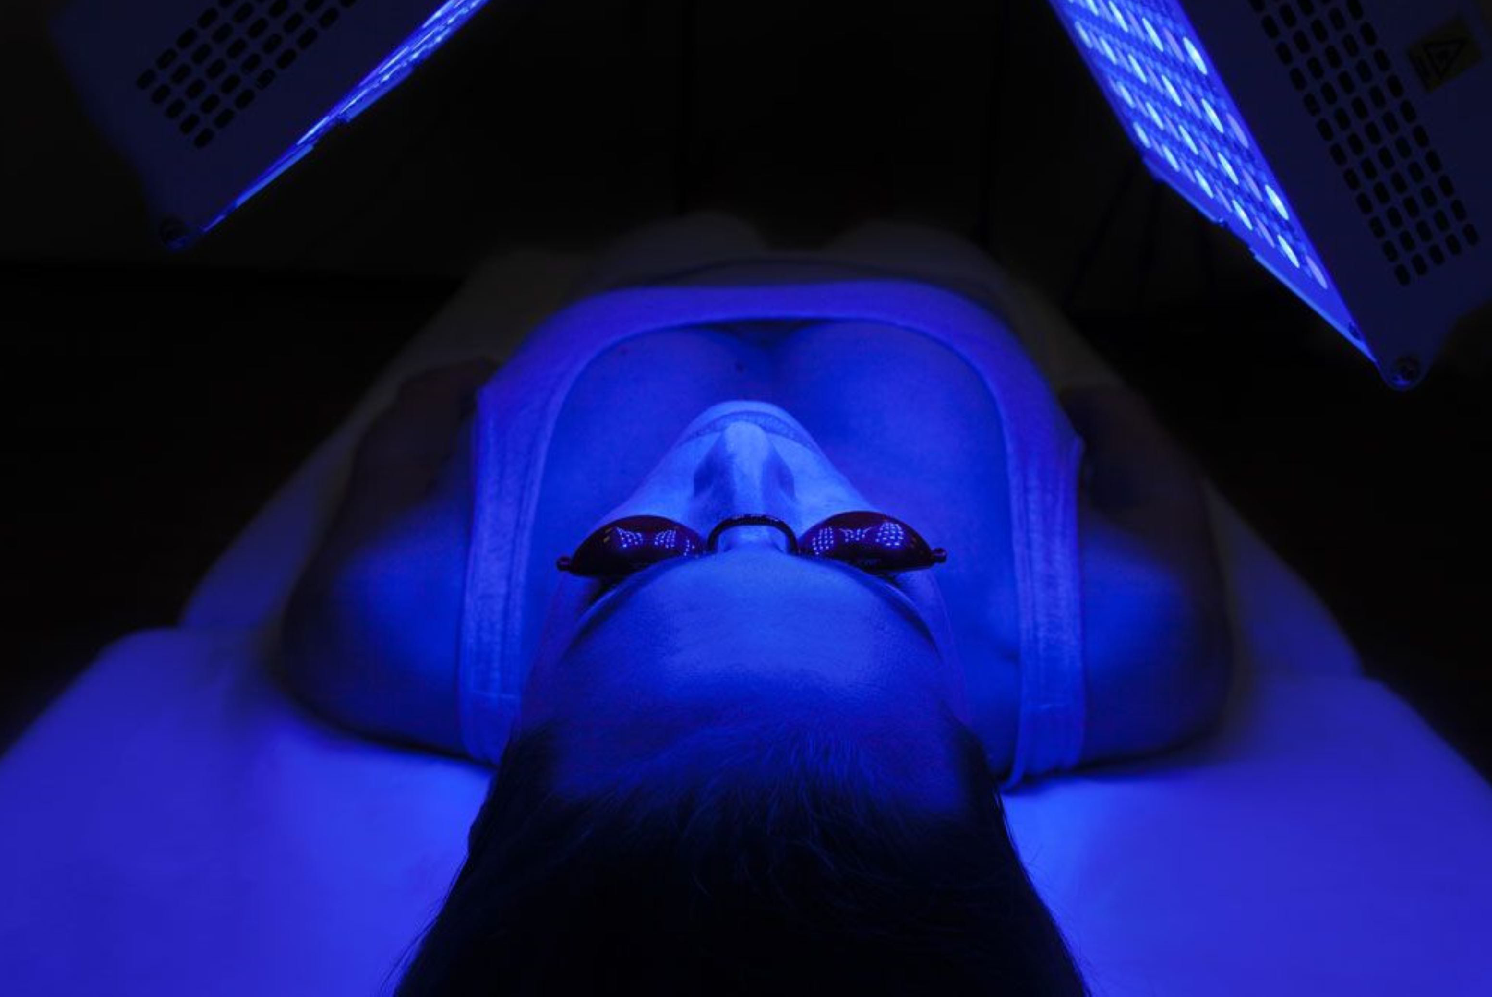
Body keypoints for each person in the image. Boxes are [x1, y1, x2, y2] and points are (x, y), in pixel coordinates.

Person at [279, 216, 1232, 995]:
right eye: (866, 550)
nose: (746, 446)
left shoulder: (379, 629)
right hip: (925, 276)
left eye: (634, 556)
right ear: (969, 739)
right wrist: (1092, 400)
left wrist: (448, 392)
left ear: (528, 723)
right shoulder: (1130, 650)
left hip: (649, 275)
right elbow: (1142, 461)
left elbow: (408, 435)